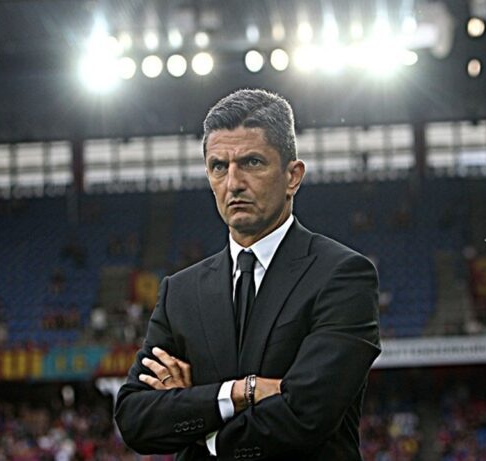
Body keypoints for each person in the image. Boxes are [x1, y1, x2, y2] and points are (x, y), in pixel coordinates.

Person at [114, 89, 381, 460]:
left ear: (293, 176)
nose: (233, 183)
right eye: (218, 166)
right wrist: (241, 392)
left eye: (252, 162)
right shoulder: (181, 292)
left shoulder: (342, 275)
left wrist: (200, 426)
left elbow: (306, 415)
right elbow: (133, 419)